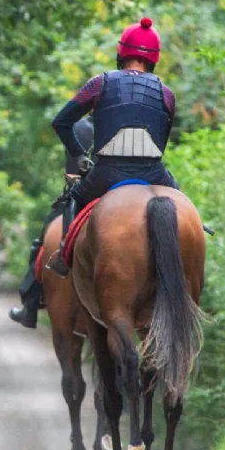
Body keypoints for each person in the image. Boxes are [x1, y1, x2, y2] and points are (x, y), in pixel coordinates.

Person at [43, 16, 178, 277]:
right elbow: (162, 142)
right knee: (183, 204)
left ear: (121, 53)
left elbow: (61, 122)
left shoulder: (99, 84)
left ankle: (63, 258)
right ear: (154, 58)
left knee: (73, 200)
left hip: (106, 173)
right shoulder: (166, 93)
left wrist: (80, 156)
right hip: (153, 173)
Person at [7, 117, 93, 328]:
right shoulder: (121, 123)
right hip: (127, 186)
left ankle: (30, 305)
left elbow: (72, 173)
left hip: (85, 194)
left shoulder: (79, 127)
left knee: (41, 243)